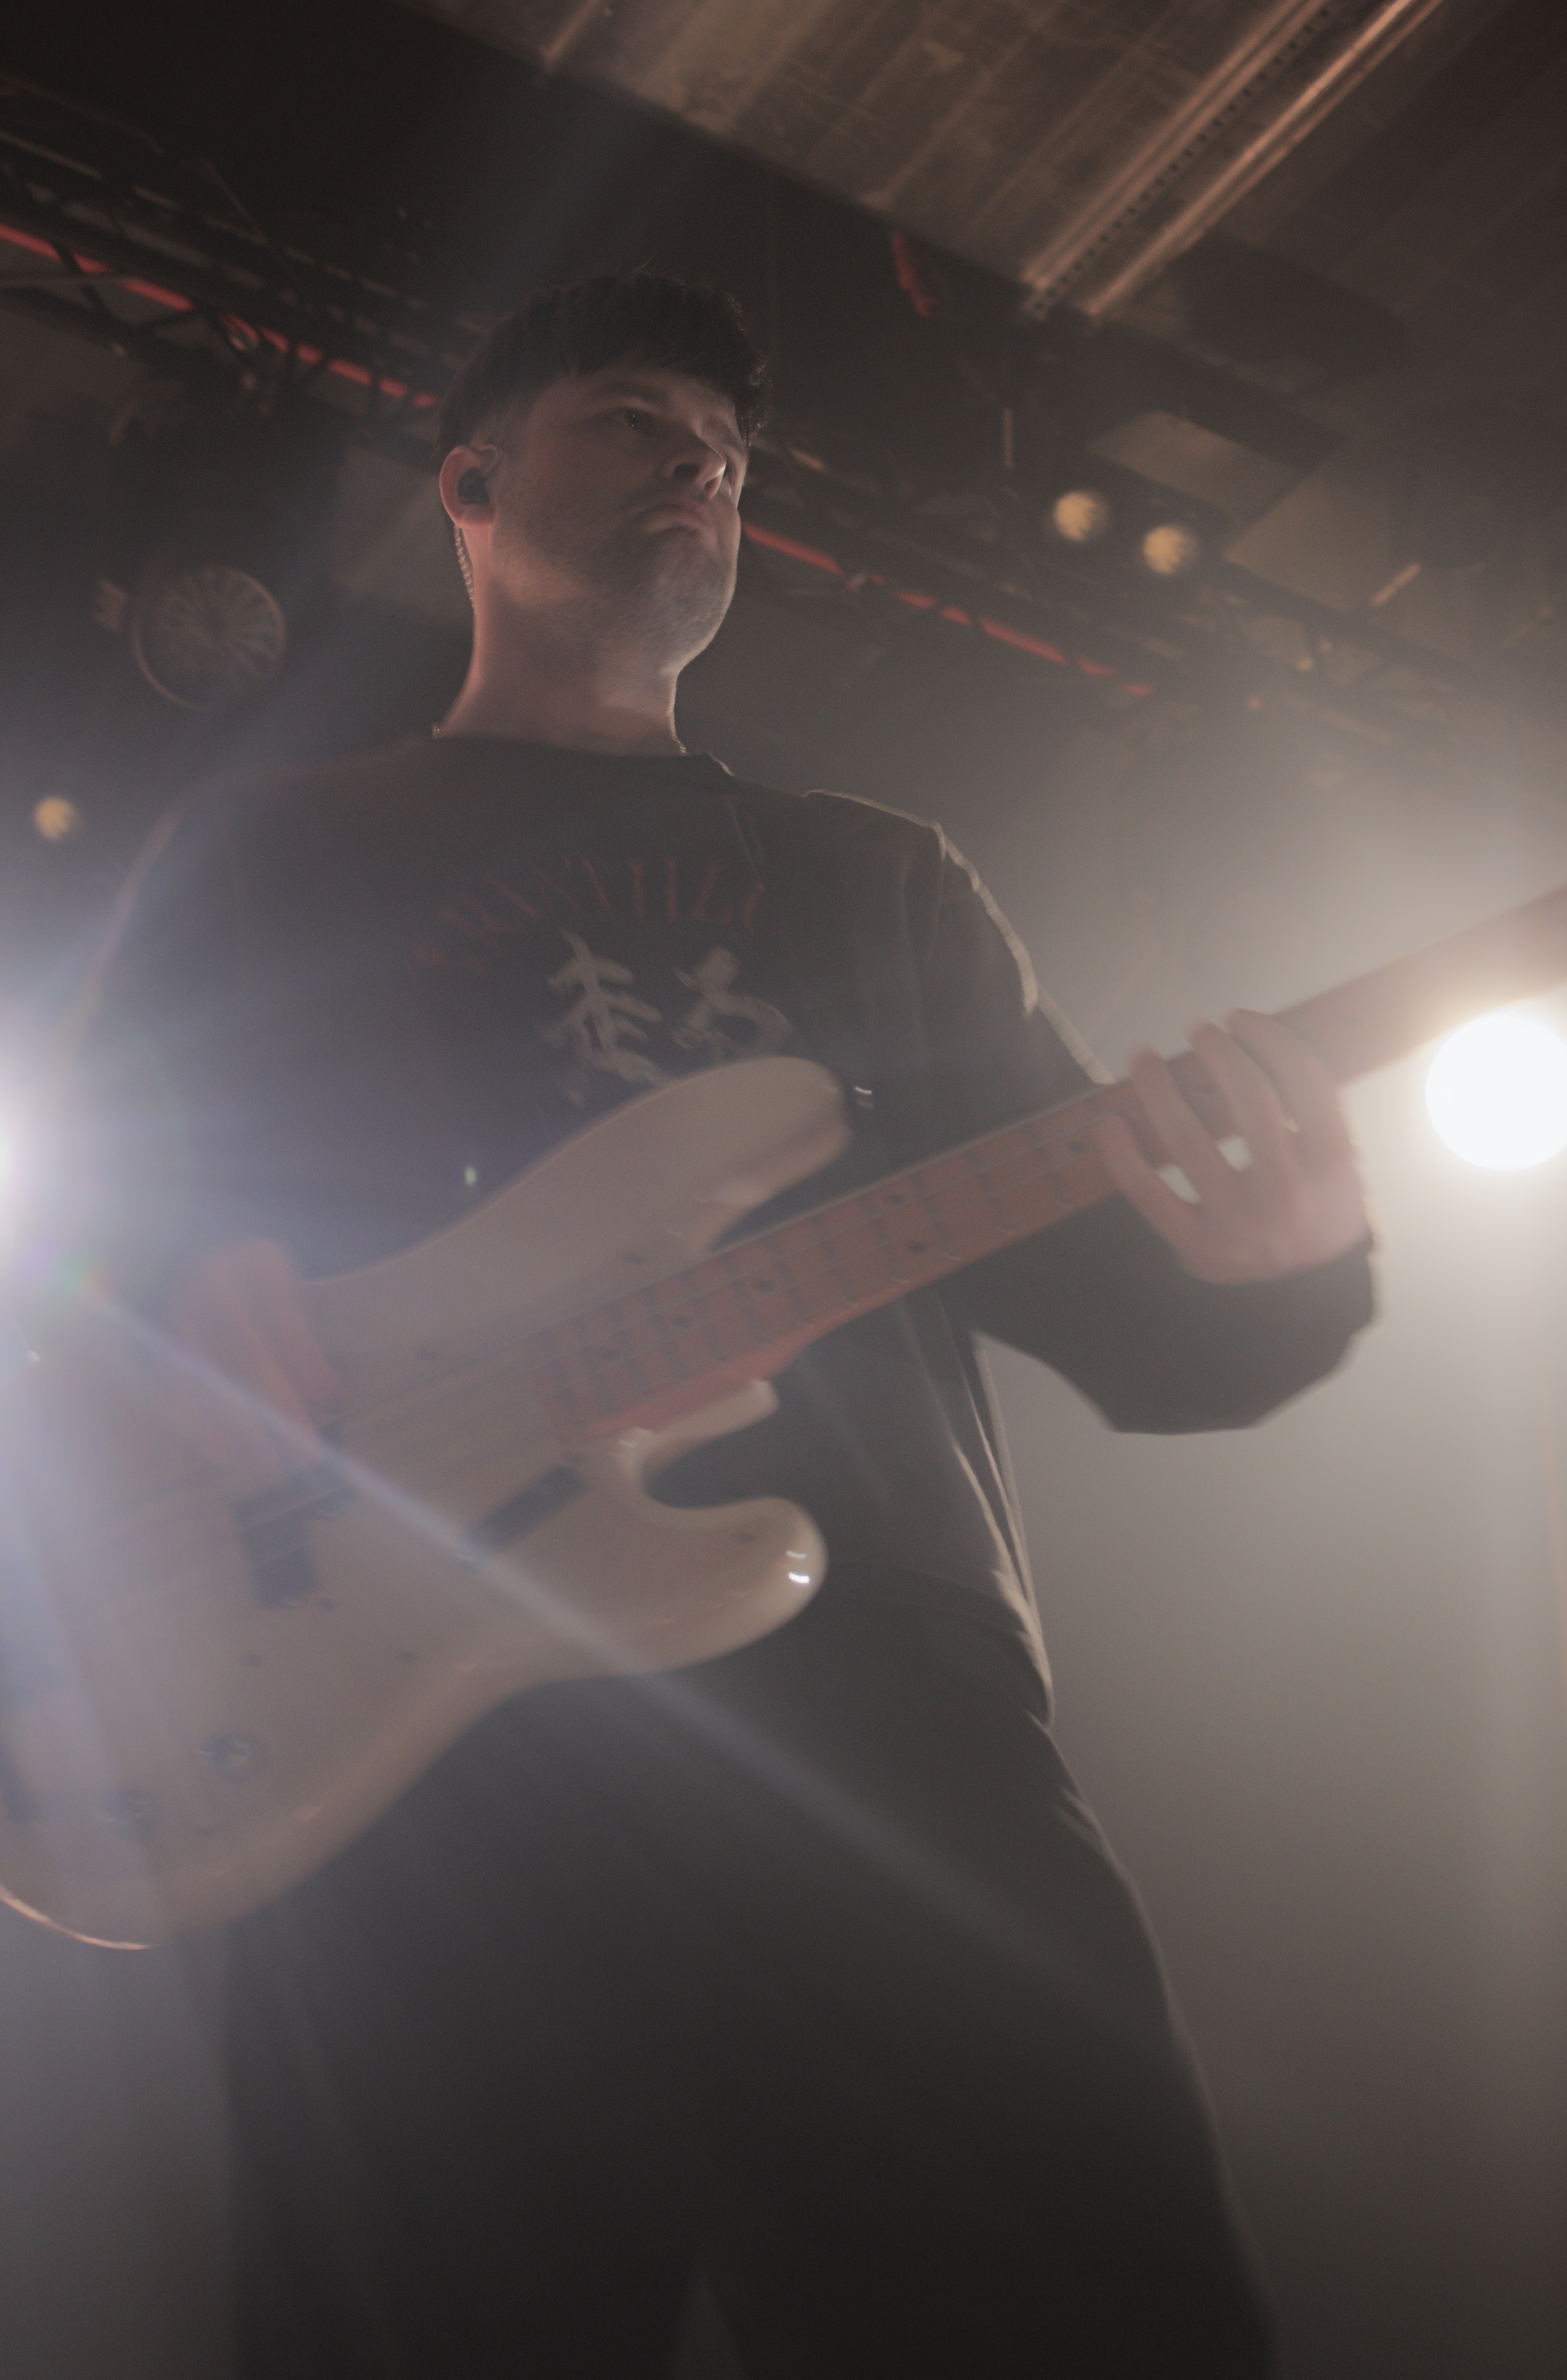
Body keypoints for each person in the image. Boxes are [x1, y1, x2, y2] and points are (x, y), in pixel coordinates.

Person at [61, 275, 1373, 2377]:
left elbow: (1134, 1326)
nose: (701, 466)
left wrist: (1285, 1257)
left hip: (882, 1694)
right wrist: (172, 1290)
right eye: (634, 421)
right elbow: (85, 1247)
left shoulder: (877, 882)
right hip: (411, 1709)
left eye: (730, 456)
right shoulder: (276, 850)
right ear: (471, 489)